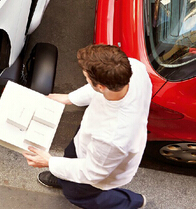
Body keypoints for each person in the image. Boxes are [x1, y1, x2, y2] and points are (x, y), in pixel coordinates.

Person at [23, 44, 151, 209]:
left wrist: (50, 162)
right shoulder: (134, 68)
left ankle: (132, 202)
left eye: (86, 77)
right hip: (88, 136)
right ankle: (64, 178)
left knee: (78, 194)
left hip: (97, 169)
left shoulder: (113, 137)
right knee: (70, 155)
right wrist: (69, 98)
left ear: (101, 87)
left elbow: (92, 172)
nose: (85, 79)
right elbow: (96, 90)